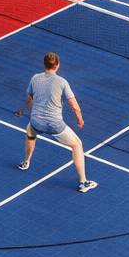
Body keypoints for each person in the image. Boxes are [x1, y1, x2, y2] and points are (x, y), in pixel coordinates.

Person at [14, 52, 97, 193]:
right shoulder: (62, 82)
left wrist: (23, 110)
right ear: (57, 65)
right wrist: (80, 119)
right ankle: (83, 182)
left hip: (36, 122)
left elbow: (29, 100)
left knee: (30, 133)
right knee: (77, 145)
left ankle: (26, 162)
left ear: (44, 64)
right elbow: (74, 104)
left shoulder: (35, 78)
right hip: (54, 125)